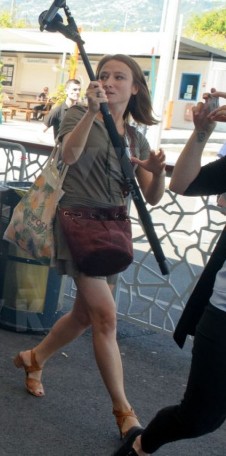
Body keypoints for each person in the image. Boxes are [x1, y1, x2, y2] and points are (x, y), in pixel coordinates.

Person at [13, 54, 166, 441]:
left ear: (135, 88)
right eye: (104, 75)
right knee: (106, 318)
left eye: (120, 77)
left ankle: (35, 359)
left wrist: (159, 171)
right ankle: (124, 412)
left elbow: (152, 196)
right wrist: (89, 113)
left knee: (85, 316)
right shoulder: (76, 115)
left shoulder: (135, 138)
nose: (110, 81)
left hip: (112, 231)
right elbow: (68, 154)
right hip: (77, 224)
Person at [114, 90, 226, 456]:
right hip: (223, 314)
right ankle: (142, 444)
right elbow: (183, 184)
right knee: (199, 418)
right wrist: (202, 132)